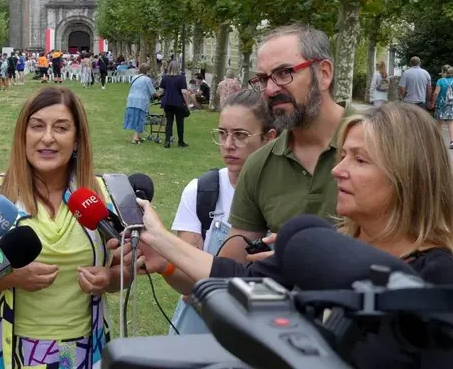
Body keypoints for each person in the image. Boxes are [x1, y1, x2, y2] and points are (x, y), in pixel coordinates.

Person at [130, 101, 453, 368]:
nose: (338, 170)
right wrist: (159, 238)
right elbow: (238, 280)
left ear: (407, 176)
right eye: (342, 156)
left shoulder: (436, 276)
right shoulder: (320, 247)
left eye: (360, 160)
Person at [0, 87, 136, 369]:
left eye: (61, 128)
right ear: (23, 135)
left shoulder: (103, 196)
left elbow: (128, 268)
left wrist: (109, 279)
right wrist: (11, 277)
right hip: (5, 351)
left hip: (81, 351)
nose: (48, 138)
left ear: (77, 140)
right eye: (37, 126)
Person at [222, 24, 354, 264]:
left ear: (324, 73)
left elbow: (432, 240)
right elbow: (228, 270)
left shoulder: (385, 139)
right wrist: (166, 258)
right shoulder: (259, 165)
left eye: (284, 73)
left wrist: (307, 256)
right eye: (263, 79)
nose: (270, 90)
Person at [167, 89, 276, 335]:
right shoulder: (202, 191)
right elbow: (188, 279)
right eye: (222, 134)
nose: (228, 145)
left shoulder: (282, 203)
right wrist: (165, 263)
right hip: (198, 329)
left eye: (240, 135)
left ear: (269, 138)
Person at [123, 63, 157, 144]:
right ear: (147, 71)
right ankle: (135, 138)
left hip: (131, 99)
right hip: (141, 100)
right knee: (140, 118)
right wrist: (159, 94)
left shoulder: (134, 77)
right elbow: (153, 92)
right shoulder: (147, 79)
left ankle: (138, 136)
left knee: (134, 117)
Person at [159, 60, 189, 148]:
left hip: (167, 102)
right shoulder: (182, 78)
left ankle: (167, 141)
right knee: (180, 122)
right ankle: (180, 141)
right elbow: (184, 92)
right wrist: (187, 104)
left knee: (169, 122)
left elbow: (161, 91)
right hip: (178, 103)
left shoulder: (165, 77)